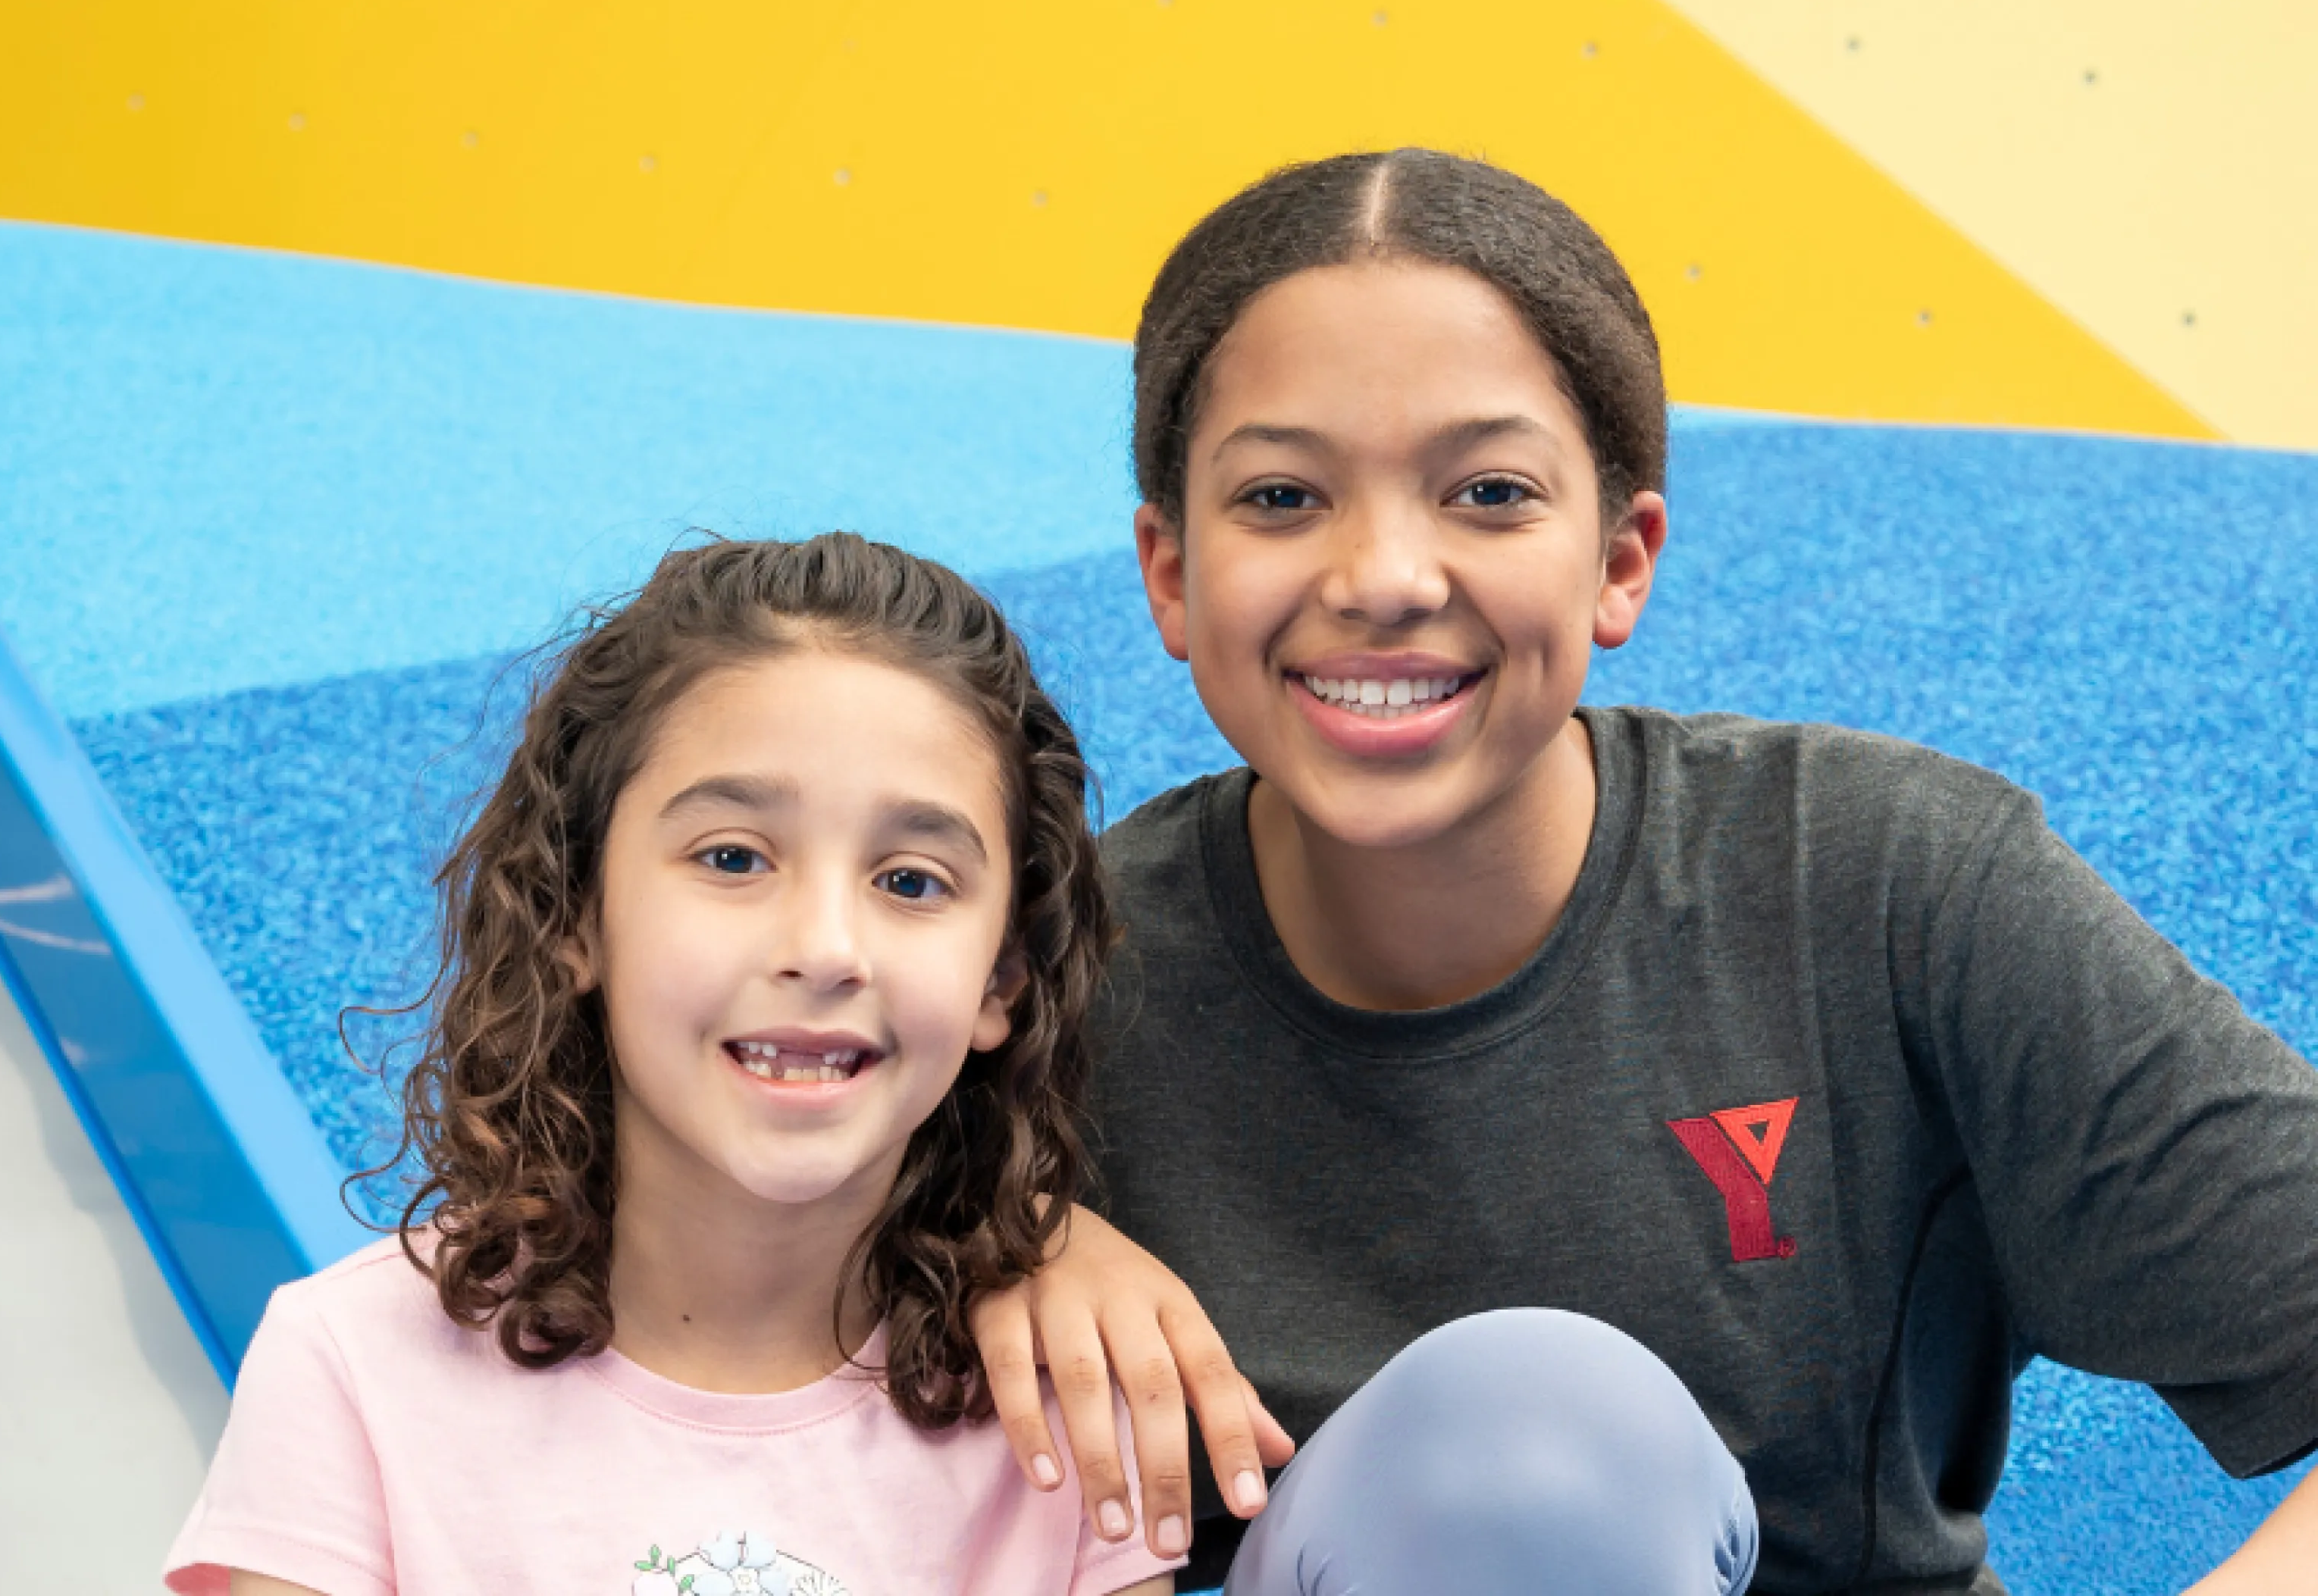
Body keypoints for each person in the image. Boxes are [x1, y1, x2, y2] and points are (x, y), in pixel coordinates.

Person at [966, 150, 2318, 1594]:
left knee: (1536, 1455)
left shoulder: (1884, 892)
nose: (1383, 577)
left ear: (1621, 558)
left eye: (1487, 492)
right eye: (1285, 497)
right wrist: (990, 1233)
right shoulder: (1027, 986)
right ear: (1170, 573)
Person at [164, 534, 1191, 1595]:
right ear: (575, 916)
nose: (828, 947)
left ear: (1001, 981)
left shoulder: (1060, 1411)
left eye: (913, 881)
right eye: (733, 858)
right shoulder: (354, 1370)